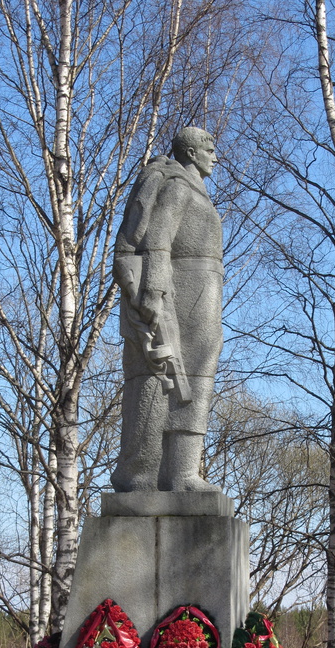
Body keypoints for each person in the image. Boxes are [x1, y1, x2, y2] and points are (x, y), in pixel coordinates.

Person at [111, 127, 223, 492]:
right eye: (209, 149)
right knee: (178, 377)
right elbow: (157, 241)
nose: (215, 157)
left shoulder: (197, 192)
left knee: (199, 375)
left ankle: (182, 472)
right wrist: (155, 291)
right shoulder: (178, 187)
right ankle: (175, 473)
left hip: (204, 293)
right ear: (190, 152)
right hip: (184, 293)